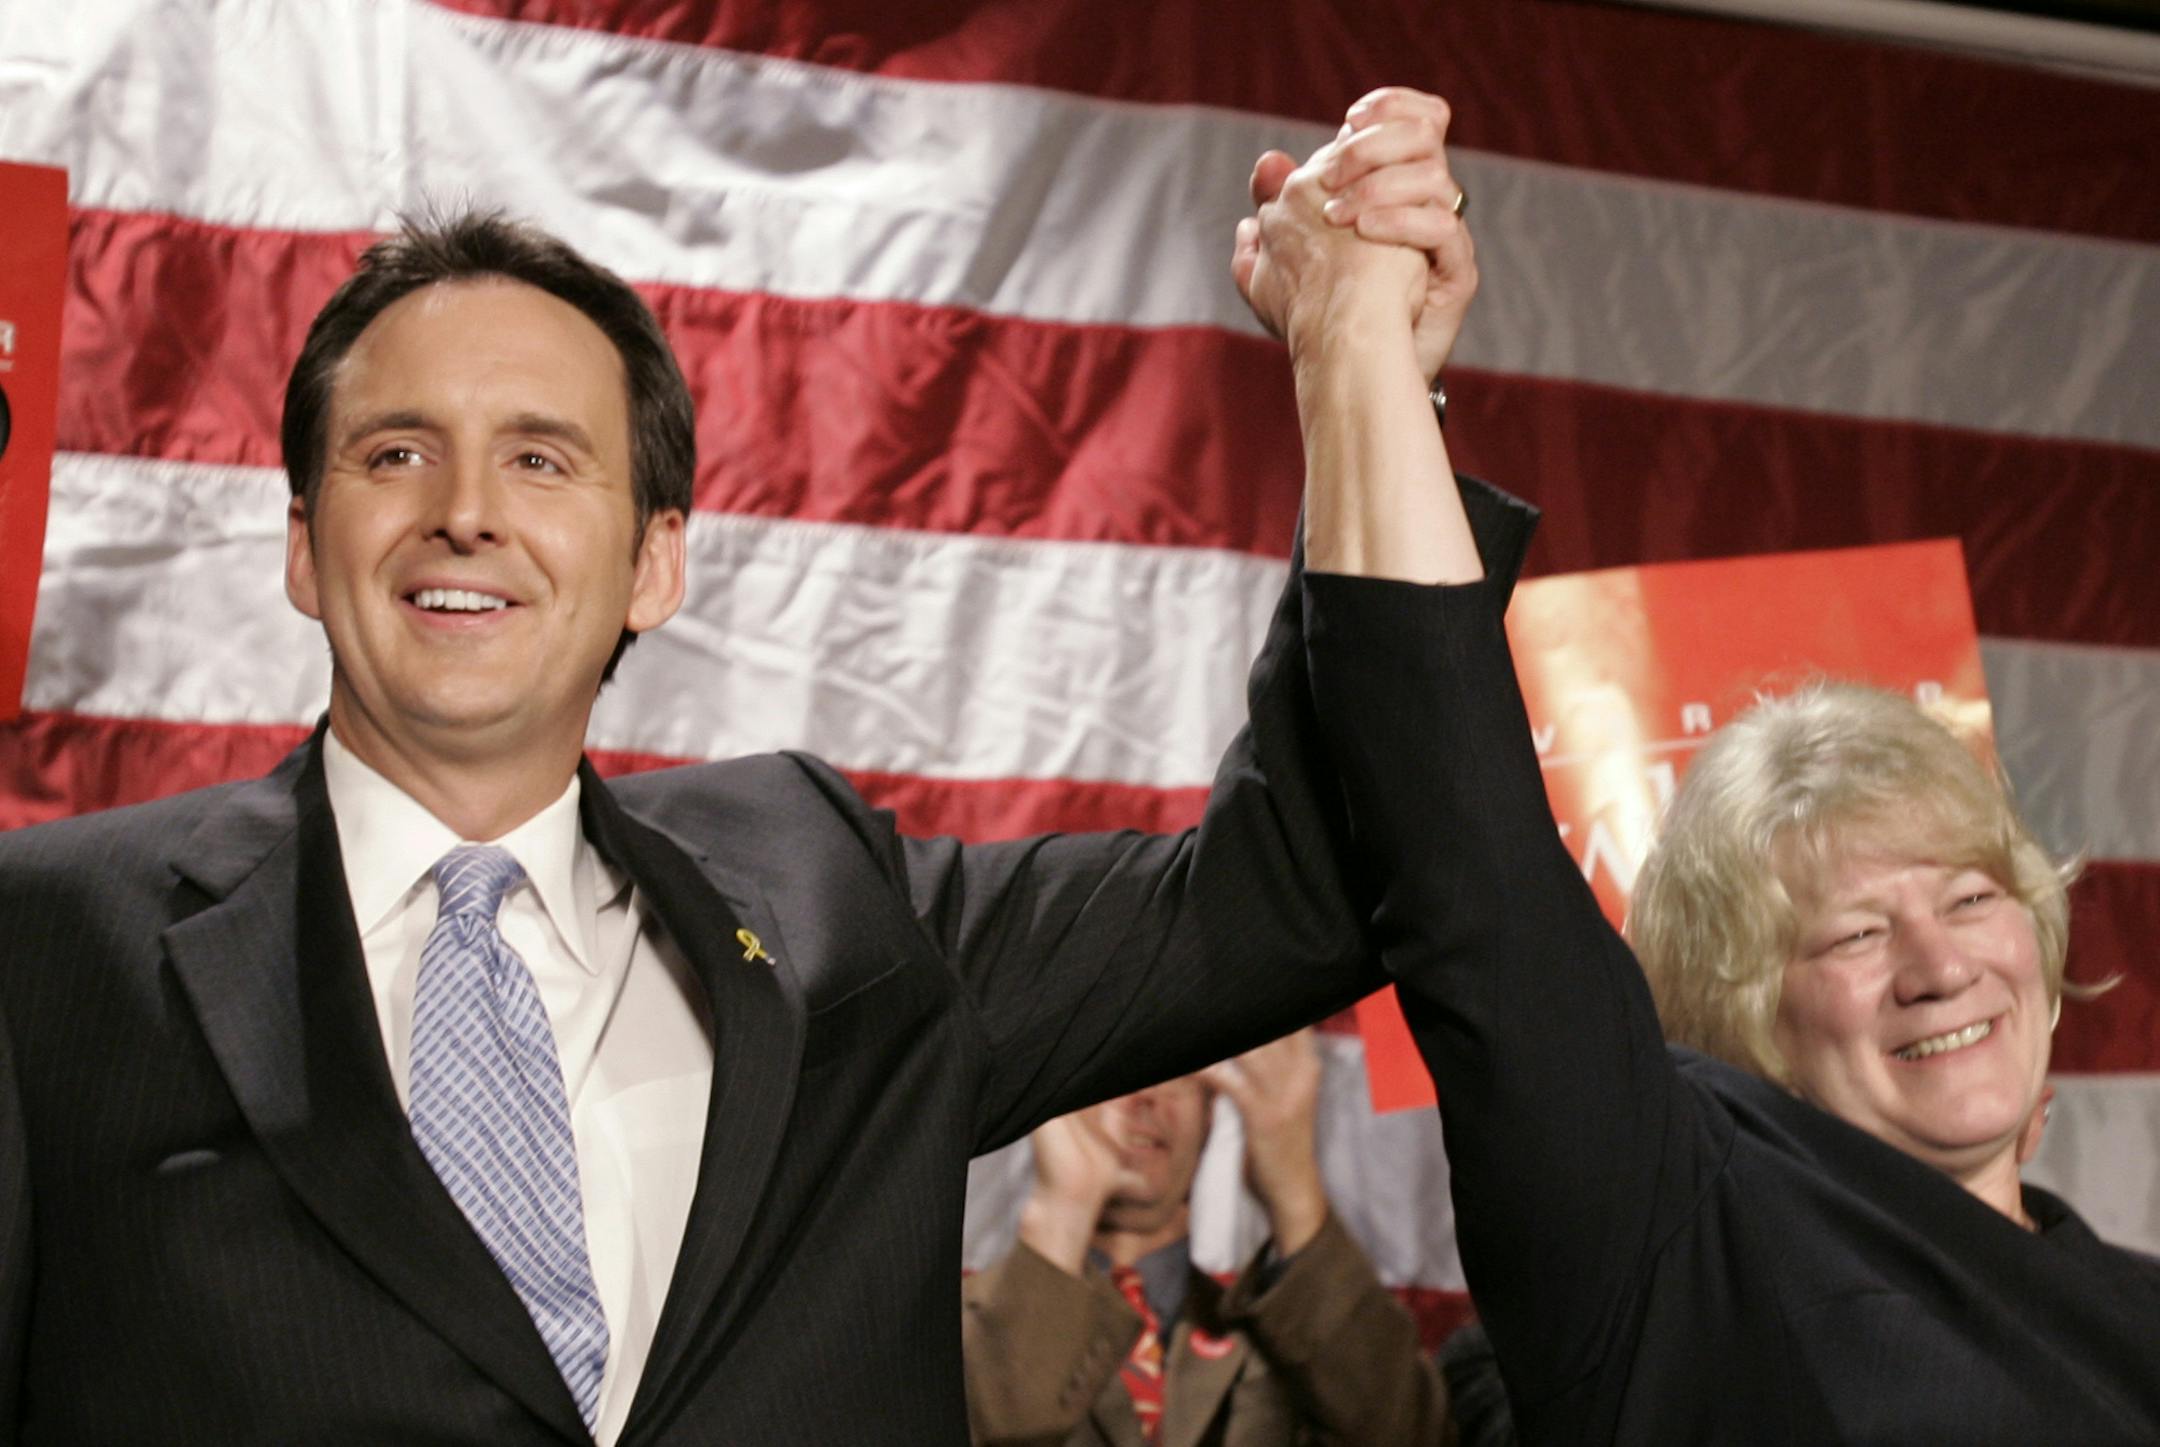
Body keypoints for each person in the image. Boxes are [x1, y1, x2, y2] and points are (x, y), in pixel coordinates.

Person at [0, 89, 1486, 1445]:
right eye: (394, 452)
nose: (465, 510)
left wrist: (1363, 382)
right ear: (300, 550)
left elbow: (1310, 880)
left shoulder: (831, 896)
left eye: (541, 458)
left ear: (656, 562)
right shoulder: (45, 943)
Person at [1246, 105, 2160, 1439]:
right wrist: (1364, 360)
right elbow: (1472, 870)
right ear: (1740, 1017)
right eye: (1854, 928)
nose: (1940, 958)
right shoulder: (1681, 1241)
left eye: (1968, 897)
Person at [962, 1030, 1448, 1446]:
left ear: (1212, 1109)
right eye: (1109, 1070)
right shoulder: (949, 1329)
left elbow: (1410, 1434)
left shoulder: (1296, 1339)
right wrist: (1061, 1211)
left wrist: (1297, 1195)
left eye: (1174, 1071)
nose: (1144, 1097)